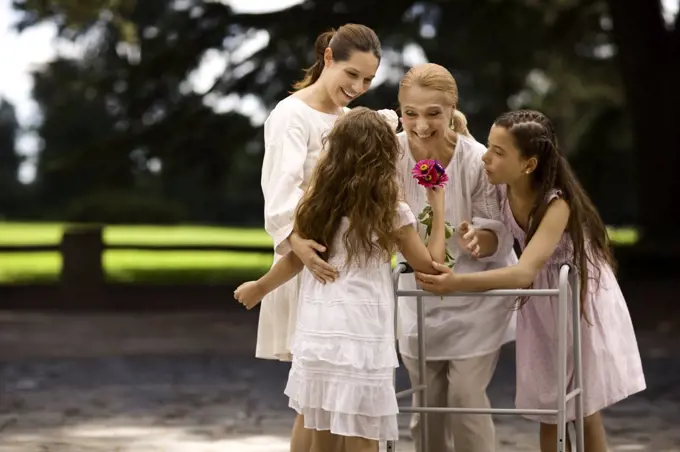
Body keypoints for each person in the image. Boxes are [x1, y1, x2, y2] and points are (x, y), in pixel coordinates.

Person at [414, 109, 646, 452]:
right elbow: (497, 233)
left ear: (528, 164)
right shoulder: (501, 191)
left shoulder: (556, 203)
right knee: (549, 404)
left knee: (580, 404)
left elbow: (524, 271)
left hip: (575, 297)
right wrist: (477, 236)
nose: (486, 158)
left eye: (498, 151)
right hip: (541, 300)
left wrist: (455, 283)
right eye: (488, 147)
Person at [235, 107, 448, 452]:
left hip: (320, 329)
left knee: (321, 428)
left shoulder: (319, 202)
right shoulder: (389, 208)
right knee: (363, 432)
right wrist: (438, 208)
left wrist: (260, 287)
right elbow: (428, 263)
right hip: (362, 331)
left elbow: (297, 258)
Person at [256, 23, 381, 451]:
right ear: (328, 58)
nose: (359, 87)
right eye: (352, 75)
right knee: (315, 402)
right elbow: (280, 188)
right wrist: (297, 242)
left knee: (327, 403)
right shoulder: (291, 114)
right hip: (309, 261)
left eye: (368, 80)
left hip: (344, 271)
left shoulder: (351, 121)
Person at [392, 63, 517, 452]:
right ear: (399, 110)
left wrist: (478, 240)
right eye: (410, 113)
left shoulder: (475, 159)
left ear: (451, 109)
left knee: (465, 401)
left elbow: (499, 230)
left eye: (433, 113)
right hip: (419, 295)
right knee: (425, 408)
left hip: (475, 299)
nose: (421, 124)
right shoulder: (390, 155)